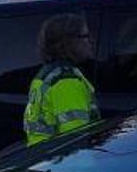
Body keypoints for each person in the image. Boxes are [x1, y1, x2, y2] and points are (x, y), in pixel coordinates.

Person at [23, 13, 100, 146]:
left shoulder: (48, 74)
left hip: (43, 158)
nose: (91, 41)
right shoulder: (66, 81)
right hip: (61, 163)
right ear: (69, 42)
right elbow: (76, 139)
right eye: (85, 36)